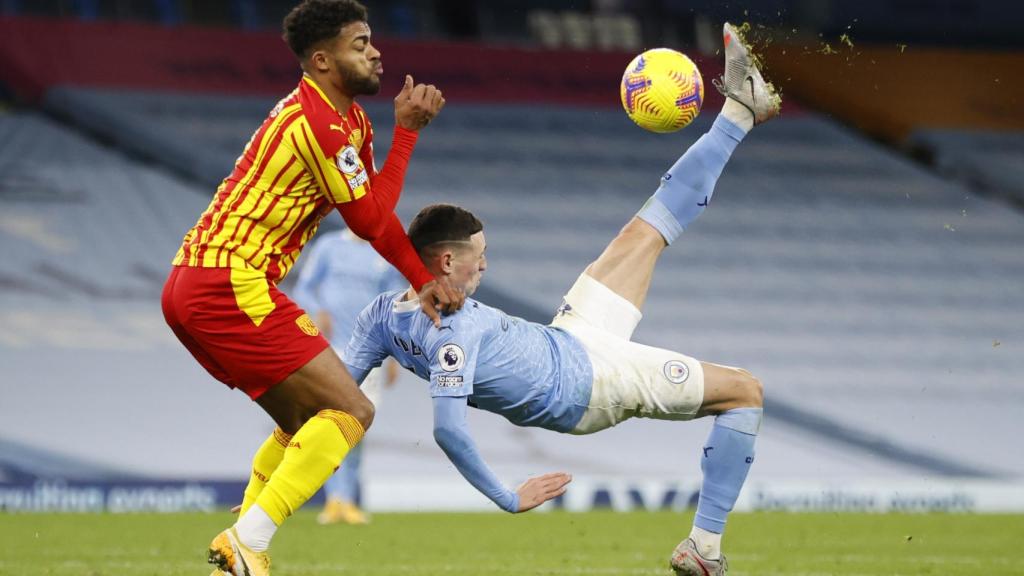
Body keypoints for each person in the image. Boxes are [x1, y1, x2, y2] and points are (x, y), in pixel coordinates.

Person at [341, 23, 780, 576]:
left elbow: (330, 393)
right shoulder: (451, 332)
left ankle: (740, 112)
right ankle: (705, 550)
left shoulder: (383, 313)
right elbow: (447, 428)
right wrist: (506, 495)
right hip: (589, 385)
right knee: (745, 392)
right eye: (480, 254)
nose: (487, 264)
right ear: (448, 262)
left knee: (644, 230)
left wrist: (273, 474)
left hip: (569, 338)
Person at [160, 1, 463, 574]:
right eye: (359, 43)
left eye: (372, 40)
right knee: (350, 410)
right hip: (228, 281)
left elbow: (371, 208)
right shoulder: (319, 124)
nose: (375, 52)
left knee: (301, 423)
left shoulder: (345, 122)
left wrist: (398, 138)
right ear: (322, 60)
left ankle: (235, 549)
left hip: (201, 280)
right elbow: (371, 225)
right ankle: (248, 540)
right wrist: (422, 278)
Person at [291, 228, 405, 525]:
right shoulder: (329, 246)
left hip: (372, 354)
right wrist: (317, 310)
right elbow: (304, 287)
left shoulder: (386, 253)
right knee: (330, 424)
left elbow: (395, 307)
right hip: (332, 351)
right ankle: (335, 499)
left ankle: (346, 500)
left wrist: (395, 354)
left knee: (357, 430)